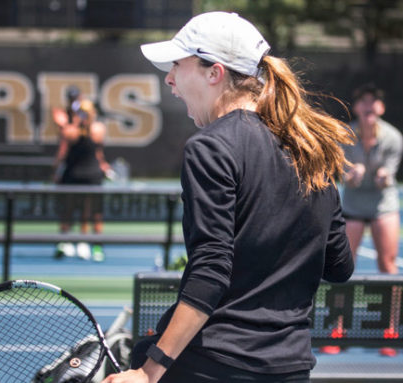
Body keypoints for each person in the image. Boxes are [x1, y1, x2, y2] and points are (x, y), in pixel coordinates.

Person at [102, 11, 355, 383]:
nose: (169, 78)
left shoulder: (211, 147)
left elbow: (210, 271)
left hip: (214, 366)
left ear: (214, 72)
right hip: (290, 368)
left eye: (177, 65)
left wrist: (149, 371)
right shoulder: (308, 148)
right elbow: (340, 265)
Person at [342, 84, 402, 274]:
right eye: (363, 101)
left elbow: (388, 177)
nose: (368, 105)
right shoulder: (344, 135)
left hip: (382, 204)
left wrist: (384, 177)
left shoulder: (393, 137)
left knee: (387, 263)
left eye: (373, 101)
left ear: (381, 108)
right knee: (343, 267)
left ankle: (394, 306)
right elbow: (345, 177)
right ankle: (341, 305)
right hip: (353, 205)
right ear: (356, 108)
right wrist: (353, 176)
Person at [52, 99, 112, 262]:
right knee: (74, 210)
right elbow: (70, 142)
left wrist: (64, 125)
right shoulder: (81, 130)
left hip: (86, 176)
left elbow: (94, 147)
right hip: (79, 176)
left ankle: (86, 244)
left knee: (88, 212)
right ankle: (70, 242)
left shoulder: (90, 129)